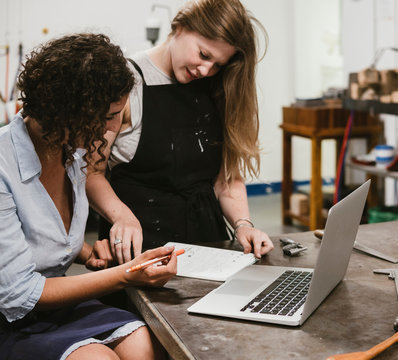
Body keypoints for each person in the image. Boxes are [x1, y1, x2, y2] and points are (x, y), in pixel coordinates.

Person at [0, 33, 177, 360]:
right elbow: (19, 293)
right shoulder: (3, 165)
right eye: (109, 116)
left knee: (145, 344)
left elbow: (36, 235)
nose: (112, 128)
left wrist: (83, 253)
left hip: (54, 304)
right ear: (70, 112)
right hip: (11, 317)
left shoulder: (71, 150)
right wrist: (126, 275)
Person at [86, 0, 274, 264]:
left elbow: (226, 179)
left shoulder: (217, 87)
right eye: (204, 55)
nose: (206, 70)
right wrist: (121, 216)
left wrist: (243, 224)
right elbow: (91, 174)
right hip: (141, 250)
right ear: (180, 27)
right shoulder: (126, 83)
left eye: (218, 64)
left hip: (208, 245)